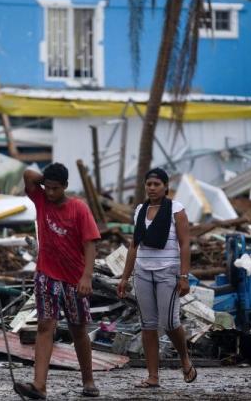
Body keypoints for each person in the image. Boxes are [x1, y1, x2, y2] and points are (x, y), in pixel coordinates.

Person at [13, 163, 101, 400]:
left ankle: (88, 380)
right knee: (45, 326)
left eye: (55, 188)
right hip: (46, 275)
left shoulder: (78, 209)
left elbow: (90, 244)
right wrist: (47, 178)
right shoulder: (41, 200)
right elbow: (28, 175)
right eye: (47, 187)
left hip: (74, 278)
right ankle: (39, 385)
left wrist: (87, 276)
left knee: (78, 329)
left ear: (65, 187)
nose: (50, 193)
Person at [117, 167, 197, 388]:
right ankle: (153, 376)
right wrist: (125, 277)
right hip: (143, 272)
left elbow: (185, 244)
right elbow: (134, 244)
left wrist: (184, 275)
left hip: (167, 271)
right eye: (148, 184)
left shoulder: (176, 210)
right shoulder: (141, 210)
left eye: (156, 184)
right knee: (148, 325)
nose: (152, 188)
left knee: (170, 322)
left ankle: (184, 359)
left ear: (165, 186)